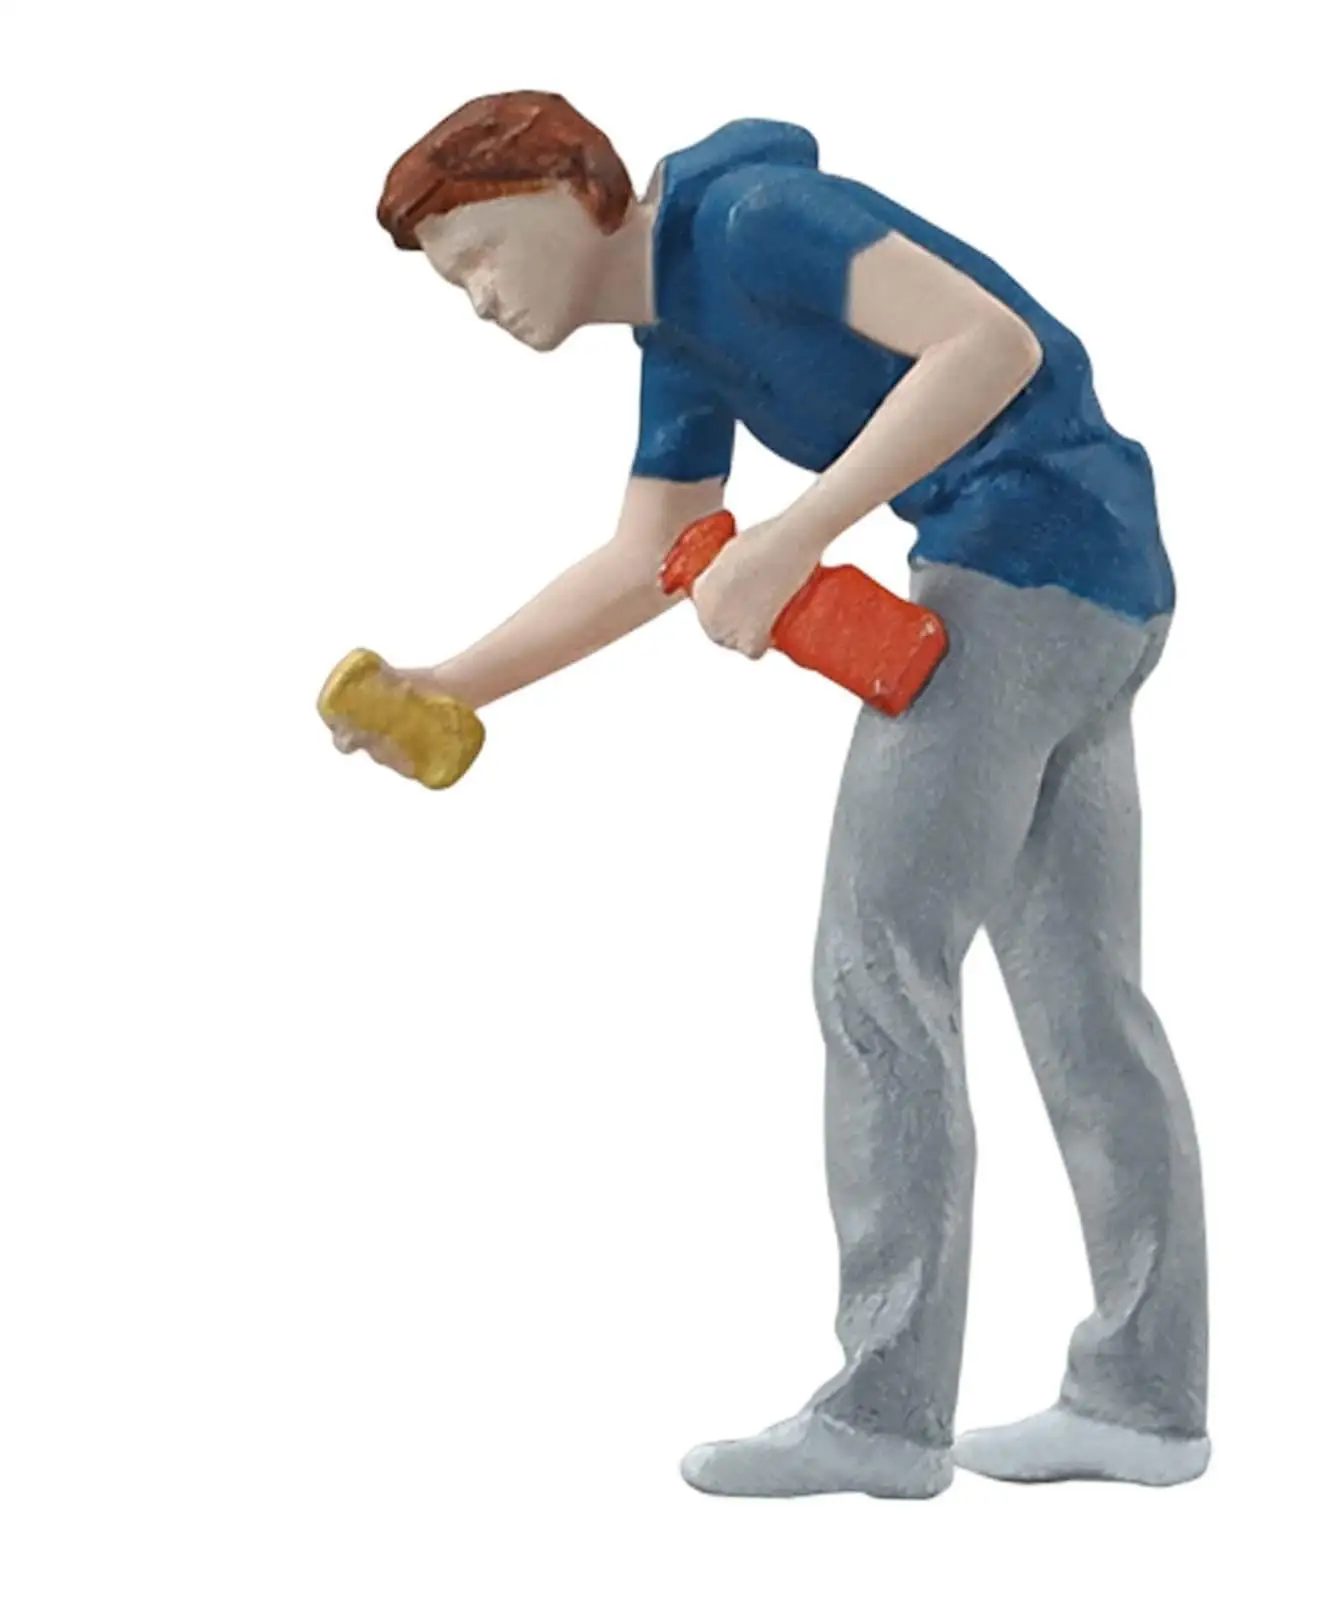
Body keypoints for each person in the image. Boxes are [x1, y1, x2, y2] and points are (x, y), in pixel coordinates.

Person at [363, 90, 1209, 1498]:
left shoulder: (755, 222)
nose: (481, 299)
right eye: (455, 283)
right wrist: (454, 684)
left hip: (1017, 573)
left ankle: (884, 1416)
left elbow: (990, 344)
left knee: (877, 968)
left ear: (572, 192)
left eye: (483, 253)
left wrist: (797, 533)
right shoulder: (679, 338)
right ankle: (1145, 1403)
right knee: (1081, 1000)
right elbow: (649, 552)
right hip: (1101, 576)